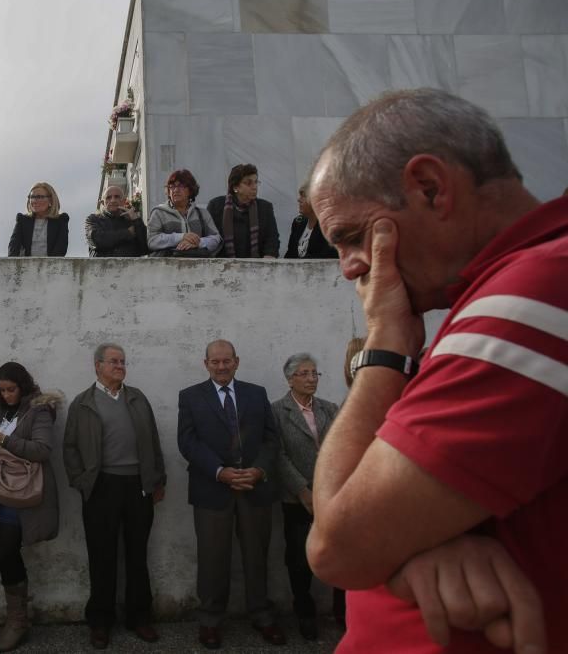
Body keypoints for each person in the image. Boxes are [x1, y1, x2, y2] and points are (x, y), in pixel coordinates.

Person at [306, 88, 566, 653]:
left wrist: (385, 339)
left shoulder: (533, 296)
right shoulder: (502, 294)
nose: (352, 266)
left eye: (352, 236)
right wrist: (415, 546)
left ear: (429, 187)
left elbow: (337, 545)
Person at [177, 339, 283, 649]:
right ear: (205, 363)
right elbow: (188, 442)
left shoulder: (256, 393)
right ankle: (210, 620)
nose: (221, 366)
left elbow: (271, 439)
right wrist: (220, 472)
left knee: (257, 557)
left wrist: (259, 470)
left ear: (236, 361)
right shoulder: (191, 397)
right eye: (215, 361)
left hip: (254, 488)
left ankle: (262, 615)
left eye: (227, 361)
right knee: (212, 560)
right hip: (212, 490)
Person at [63, 343, 166, 649]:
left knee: (137, 554)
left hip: (138, 486)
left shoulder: (137, 398)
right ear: (98, 366)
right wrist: (82, 481)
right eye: (113, 361)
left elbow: (153, 440)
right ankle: (100, 622)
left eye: (122, 361)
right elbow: (69, 448)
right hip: (100, 487)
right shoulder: (83, 404)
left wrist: (157, 479)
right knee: (102, 556)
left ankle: (140, 617)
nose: (120, 366)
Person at [0, 362, 61, 652]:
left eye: (11, 390)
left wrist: (5, 440)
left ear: (23, 386)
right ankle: (17, 618)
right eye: (2, 390)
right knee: (3, 550)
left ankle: (18, 621)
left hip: (24, 495)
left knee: (6, 549)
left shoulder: (38, 410)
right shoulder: (1, 410)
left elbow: (43, 450)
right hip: (0, 490)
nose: (6, 395)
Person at [271, 352, 342, 640]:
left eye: (315, 373)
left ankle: (343, 610)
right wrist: (303, 490)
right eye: (304, 373)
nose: (312, 379)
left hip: (332, 495)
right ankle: (304, 611)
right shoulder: (276, 412)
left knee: (339, 553)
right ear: (290, 379)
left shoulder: (330, 408)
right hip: (296, 498)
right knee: (300, 559)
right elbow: (278, 455)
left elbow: (342, 446)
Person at [206, 164, 280, 258]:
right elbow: (209, 237)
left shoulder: (265, 208)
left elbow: (272, 238)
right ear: (235, 187)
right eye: (248, 183)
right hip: (223, 267)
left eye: (256, 182)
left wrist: (269, 256)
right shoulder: (216, 206)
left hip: (257, 267)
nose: (254, 187)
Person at [146, 169, 221, 257]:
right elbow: (152, 241)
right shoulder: (158, 213)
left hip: (198, 268)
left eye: (181, 186)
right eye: (172, 186)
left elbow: (216, 238)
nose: (175, 190)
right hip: (167, 268)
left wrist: (198, 243)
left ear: (191, 190)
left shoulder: (202, 213)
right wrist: (181, 237)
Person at [7, 182, 69, 257]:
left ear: (51, 200)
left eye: (40, 197)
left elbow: (60, 250)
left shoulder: (61, 221)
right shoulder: (22, 220)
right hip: (25, 267)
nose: (35, 200)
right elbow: (13, 249)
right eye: (32, 197)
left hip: (52, 267)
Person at [84, 185, 148, 257]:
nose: (113, 200)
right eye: (108, 197)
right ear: (103, 203)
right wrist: (128, 233)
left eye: (117, 197)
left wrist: (137, 220)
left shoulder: (132, 221)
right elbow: (97, 240)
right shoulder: (93, 219)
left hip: (130, 267)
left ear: (124, 201)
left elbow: (145, 247)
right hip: (101, 267)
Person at [285, 185, 336, 259]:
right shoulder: (298, 222)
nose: (299, 200)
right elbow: (290, 254)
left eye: (304, 196)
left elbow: (326, 257)